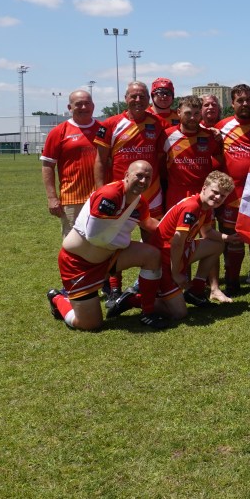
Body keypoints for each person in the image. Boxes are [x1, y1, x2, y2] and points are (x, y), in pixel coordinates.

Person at [46, 161, 164, 330]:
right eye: (139, 176)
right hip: (78, 264)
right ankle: (58, 298)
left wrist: (173, 226)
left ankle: (148, 312)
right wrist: (123, 242)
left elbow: (148, 223)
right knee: (90, 324)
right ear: (126, 175)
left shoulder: (139, 203)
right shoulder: (110, 194)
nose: (143, 181)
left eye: (148, 177)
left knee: (152, 255)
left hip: (109, 259)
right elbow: (95, 237)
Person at [109, 170, 239, 319]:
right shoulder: (191, 207)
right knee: (179, 313)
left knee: (217, 245)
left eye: (222, 196)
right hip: (163, 258)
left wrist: (228, 238)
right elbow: (177, 242)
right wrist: (177, 273)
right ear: (204, 188)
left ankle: (195, 291)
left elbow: (208, 232)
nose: (217, 198)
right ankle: (132, 299)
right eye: (215, 192)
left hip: (178, 251)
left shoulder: (206, 207)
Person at [93, 81, 167, 303]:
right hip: (120, 195)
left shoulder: (158, 123)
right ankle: (114, 288)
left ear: (148, 99)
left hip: (151, 193)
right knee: (114, 241)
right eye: (133, 96)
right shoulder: (110, 124)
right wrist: (100, 191)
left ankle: (150, 284)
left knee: (154, 238)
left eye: (142, 96)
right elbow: (100, 160)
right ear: (125, 98)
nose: (138, 100)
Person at [216, 84, 250, 294]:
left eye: (248, 99)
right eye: (240, 100)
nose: (245, 104)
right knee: (233, 240)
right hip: (232, 195)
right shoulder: (222, 126)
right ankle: (232, 282)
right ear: (232, 103)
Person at [41, 90, 102, 236]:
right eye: (78, 104)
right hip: (72, 199)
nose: (83, 107)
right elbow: (48, 165)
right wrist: (52, 198)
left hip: (101, 197)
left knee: (102, 242)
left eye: (87, 103)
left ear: (93, 106)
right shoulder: (58, 132)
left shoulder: (104, 129)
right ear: (70, 108)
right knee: (73, 244)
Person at [163, 95, 225, 209]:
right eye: (188, 113)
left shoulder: (210, 136)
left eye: (196, 113)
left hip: (203, 193)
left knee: (204, 226)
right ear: (178, 112)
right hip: (176, 192)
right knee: (177, 226)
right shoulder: (166, 135)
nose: (192, 118)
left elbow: (219, 159)